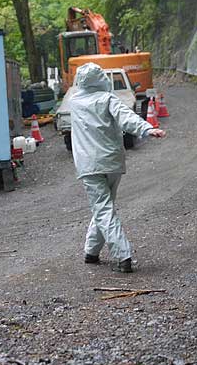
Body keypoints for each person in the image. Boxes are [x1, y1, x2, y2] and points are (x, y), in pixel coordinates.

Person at [69, 63, 166, 273]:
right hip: (111, 161)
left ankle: (123, 255)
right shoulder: (108, 99)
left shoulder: (74, 102)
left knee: (102, 207)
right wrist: (147, 129)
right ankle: (91, 252)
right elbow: (126, 117)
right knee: (104, 206)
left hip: (88, 164)